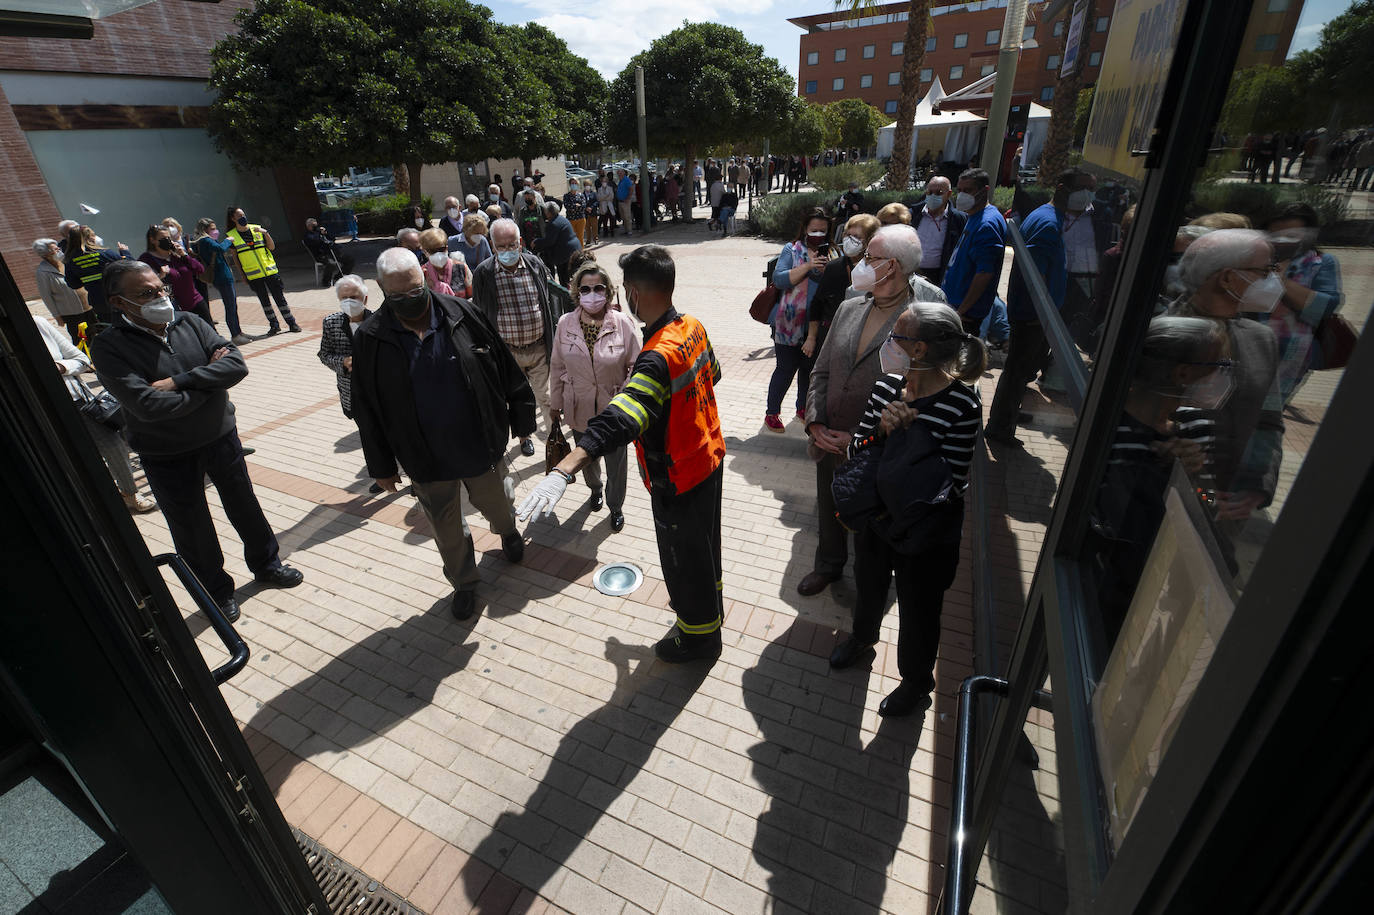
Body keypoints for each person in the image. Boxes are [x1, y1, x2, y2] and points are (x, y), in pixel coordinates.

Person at [520, 245, 726, 662]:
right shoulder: (692, 326)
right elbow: (713, 375)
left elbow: (623, 417)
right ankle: (710, 611)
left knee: (682, 561)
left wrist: (566, 467)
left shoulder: (657, 354)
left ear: (632, 291)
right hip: (708, 458)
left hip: (678, 476)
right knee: (705, 550)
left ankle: (699, 638)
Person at [92, 260, 304, 621]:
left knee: (245, 506)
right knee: (191, 527)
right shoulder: (108, 347)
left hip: (220, 437)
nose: (159, 297)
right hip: (167, 453)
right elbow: (147, 405)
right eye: (146, 294)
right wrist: (211, 384)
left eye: (160, 288)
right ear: (117, 303)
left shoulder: (189, 321)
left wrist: (179, 382)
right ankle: (216, 592)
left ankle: (267, 564)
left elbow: (236, 364)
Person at [352, 248, 534, 620]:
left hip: (478, 443)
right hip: (425, 457)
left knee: (498, 502)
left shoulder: (462, 314)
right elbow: (365, 408)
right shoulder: (371, 337)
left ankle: (508, 531)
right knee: (446, 529)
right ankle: (465, 582)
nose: (410, 300)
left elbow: (503, 365)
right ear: (381, 289)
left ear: (423, 276)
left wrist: (522, 418)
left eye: (415, 289)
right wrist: (381, 465)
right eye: (398, 295)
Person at [828, 301, 985, 716]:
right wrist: (881, 429)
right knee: (869, 583)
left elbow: (951, 484)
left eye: (896, 335)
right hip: (877, 520)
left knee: (920, 610)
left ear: (918, 350)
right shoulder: (885, 389)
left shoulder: (963, 406)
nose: (888, 342)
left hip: (924, 533)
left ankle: (916, 682)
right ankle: (862, 639)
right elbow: (857, 452)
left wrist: (912, 433)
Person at [800, 224, 947, 597]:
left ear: (893, 266)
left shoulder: (921, 319)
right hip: (829, 438)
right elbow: (821, 370)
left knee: (872, 527)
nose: (862, 262)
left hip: (879, 451)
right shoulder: (851, 305)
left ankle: (870, 591)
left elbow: (921, 394)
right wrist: (815, 423)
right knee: (829, 507)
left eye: (870, 257)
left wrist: (862, 439)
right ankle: (829, 566)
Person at [1087, 315, 1229, 641]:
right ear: (1183, 373)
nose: (1224, 375)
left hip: (1168, 589)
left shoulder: (1198, 428)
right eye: (1220, 364)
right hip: (1110, 584)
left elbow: (1211, 509)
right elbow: (1102, 517)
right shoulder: (1108, 431)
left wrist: (1194, 478)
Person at [1170, 229, 1284, 569]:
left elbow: (1269, 422)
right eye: (1265, 271)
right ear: (1227, 278)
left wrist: (1256, 488)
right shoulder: (1163, 334)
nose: (1274, 280)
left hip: (1227, 516)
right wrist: (1204, 496)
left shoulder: (1261, 341)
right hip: (1165, 503)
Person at [985, 167, 1088, 446]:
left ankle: (1004, 421)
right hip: (1032, 316)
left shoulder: (1046, 216)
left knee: (1019, 371)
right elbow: (1036, 279)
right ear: (1062, 188)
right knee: (1018, 372)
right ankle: (1000, 428)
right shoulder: (1048, 224)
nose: (1089, 195)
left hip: (1032, 314)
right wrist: (1040, 317)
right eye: (1084, 188)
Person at [32, 314, 156, 513]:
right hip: (36, 409)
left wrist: (60, 367)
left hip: (77, 401)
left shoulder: (38, 324)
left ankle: (129, 493)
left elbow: (81, 360)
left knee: (113, 445)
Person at [548, 262, 639, 532]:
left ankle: (616, 506)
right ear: (576, 292)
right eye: (585, 288)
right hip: (579, 407)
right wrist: (555, 403)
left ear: (608, 291)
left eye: (598, 287)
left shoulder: (623, 323)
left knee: (616, 464)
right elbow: (557, 366)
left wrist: (624, 402)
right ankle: (595, 489)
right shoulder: (565, 323)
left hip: (614, 411)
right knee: (587, 459)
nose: (592, 293)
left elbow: (636, 366)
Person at [471, 218, 560, 458]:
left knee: (548, 399)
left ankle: (555, 441)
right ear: (493, 245)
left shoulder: (534, 264)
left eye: (511, 245)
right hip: (508, 352)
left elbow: (546, 300)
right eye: (501, 246)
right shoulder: (484, 273)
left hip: (539, 347)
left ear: (520, 243)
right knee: (518, 400)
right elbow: (479, 312)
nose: (507, 251)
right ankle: (524, 437)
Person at [1263, 203, 1346, 404]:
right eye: (1276, 234)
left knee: (1266, 419)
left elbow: (1324, 308)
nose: (1282, 241)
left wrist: (1280, 281)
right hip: (1243, 348)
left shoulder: (1321, 263)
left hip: (1289, 356)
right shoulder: (1254, 256)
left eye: (1292, 235)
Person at [765, 208, 831, 431]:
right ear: (804, 229)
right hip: (788, 322)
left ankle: (802, 407)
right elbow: (780, 279)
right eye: (814, 230)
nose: (818, 235)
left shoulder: (833, 253)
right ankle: (772, 412)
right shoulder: (791, 250)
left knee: (808, 369)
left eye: (823, 231)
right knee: (785, 369)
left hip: (818, 324)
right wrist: (808, 266)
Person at [318, 274, 383, 494]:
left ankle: (412, 477)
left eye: (353, 296)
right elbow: (324, 354)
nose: (349, 301)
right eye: (344, 297)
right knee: (369, 435)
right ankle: (381, 475)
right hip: (353, 393)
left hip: (382, 391)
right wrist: (342, 363)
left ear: (364, 298)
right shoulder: (331, 322)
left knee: (394, 434)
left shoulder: (379, 321)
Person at [805, 213, 880, 361]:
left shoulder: (878, 269)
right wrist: (811, 337)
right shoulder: (834, 267)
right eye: (847, 234)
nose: (850, 240)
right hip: (831, 336)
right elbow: (817, 304)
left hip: (864, 340)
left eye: (857, 237)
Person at [942, 168, 1007, 336]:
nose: (962, 195)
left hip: (965, 316)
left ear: (984, 191)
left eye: (968, 190)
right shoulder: (973, 217)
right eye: (960, 190)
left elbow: (984, 273)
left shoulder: (987, 224)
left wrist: (961, 311)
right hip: (955, 308)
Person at [224, 206, 301, 335]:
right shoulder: (232, 236)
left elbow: (271, 247)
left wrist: (266, 233)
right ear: (233, 219)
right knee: (264, 301)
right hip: (253, 275)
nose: (243, 218)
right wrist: (242, 275)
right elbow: (236, 258)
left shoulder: (257, 229)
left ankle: (292, 323)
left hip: (270, 271)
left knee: (280, 299)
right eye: (239, 216)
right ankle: (274, 326)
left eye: (243, 214)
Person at [139, 223, 212, 327]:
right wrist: (160, 276)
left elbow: (200, 269)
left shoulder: (176, 254)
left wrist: (184, 255)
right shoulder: (146, 259)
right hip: (175, 309)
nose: (167, 241)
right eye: (163, 238)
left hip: (196, 302)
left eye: (169, 238)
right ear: (152, 240)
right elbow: (143, 286)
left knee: (210, 334)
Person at [190, 218, 248, 345]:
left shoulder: (198, 241)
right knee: (230, 305)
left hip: (220, 276)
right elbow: (220, 249)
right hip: (222, 276)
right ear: (204, 230)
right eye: (212, 229)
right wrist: (228, 241)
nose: (215, 231)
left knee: (232, 305)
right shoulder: (205, 240)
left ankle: (238, 331)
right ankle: (235, 334)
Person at [64, 225, 131, 325]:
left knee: (113, 330)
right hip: (120, 299)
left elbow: (73, 284)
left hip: (98, 302)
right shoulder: (105, 253)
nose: (95, 237)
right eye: (93, 235)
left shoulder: (70, 261)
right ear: (88, 238)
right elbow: (131, 268)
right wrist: (125, 252)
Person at [33, 238, 94, 345]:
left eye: (58, 248)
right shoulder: (43, 272)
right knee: (81, 339)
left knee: (95, 334)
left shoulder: (68, 261)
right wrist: (57, 316)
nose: (59, 250)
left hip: (89, 306)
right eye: (55, 249)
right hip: (72, 313)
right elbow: (46, 296)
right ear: (46, 254)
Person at [912, 176, 967, 285]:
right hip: (912, 273)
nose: (933, 196)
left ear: (949, 194)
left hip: (939, 277)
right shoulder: (913, 214)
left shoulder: (958, 219)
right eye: (930, 192)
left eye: (939, 193)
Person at [540, 201, 584, 287]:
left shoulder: (553, 224)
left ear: (549, 212)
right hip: (574, 250)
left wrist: (537, 241)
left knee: (564, 278)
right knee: (573, 276)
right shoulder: (561, 219)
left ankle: (567, 296)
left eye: (545, 211)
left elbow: (549, 241)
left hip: (565, 254)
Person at [419, 228, 472, 297]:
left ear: (446, 248)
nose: (438, 254)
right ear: (425, 252)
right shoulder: (422, 274)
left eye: (441, 249)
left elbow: (472, 296)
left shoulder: (461, 268)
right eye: (432, 251)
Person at [515, 189, 546, 253]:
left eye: (529, 197)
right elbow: (521, 226)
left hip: (541, 240)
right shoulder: (523, 211)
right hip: (528, 242)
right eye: (526, 198)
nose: (527, 200)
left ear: (534, 197)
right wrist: (522, 240)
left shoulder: (541, 209)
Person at [562, 183, 588, 248]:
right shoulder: (566, 196)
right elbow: (567, 206)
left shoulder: (581, 195)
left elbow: (583, 206)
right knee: (571, 237)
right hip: (571, 219)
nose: (574, 185)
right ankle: (573, 253)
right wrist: (575, 205)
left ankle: (581, 252)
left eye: (575, 183)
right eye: (572, 183)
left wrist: (573, 206)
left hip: (581, 219)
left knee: (580, 237)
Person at [616, 169, 635, 236]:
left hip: (625, 201)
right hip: (620, 201)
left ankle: (629, 231)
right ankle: (626, 230)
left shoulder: (626, 180)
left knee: (627, 217)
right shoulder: (620, 180)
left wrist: (628, 198)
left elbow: (631, 189)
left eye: (620, 173)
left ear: (624, 173)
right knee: (623, 217)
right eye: (618, 173)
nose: (619, 174)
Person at [582, 179, 599, 245]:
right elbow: (581, 202)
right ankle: (588, 240)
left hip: (593, 212)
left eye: (588, 185)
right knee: (587, 227)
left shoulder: (594, 193)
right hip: (585, 214)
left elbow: (597, 201)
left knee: (594, 226)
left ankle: (596, 239)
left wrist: (591, 207)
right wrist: (586, 208)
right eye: (586, 185)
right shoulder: (582, 194)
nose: (587, 186)